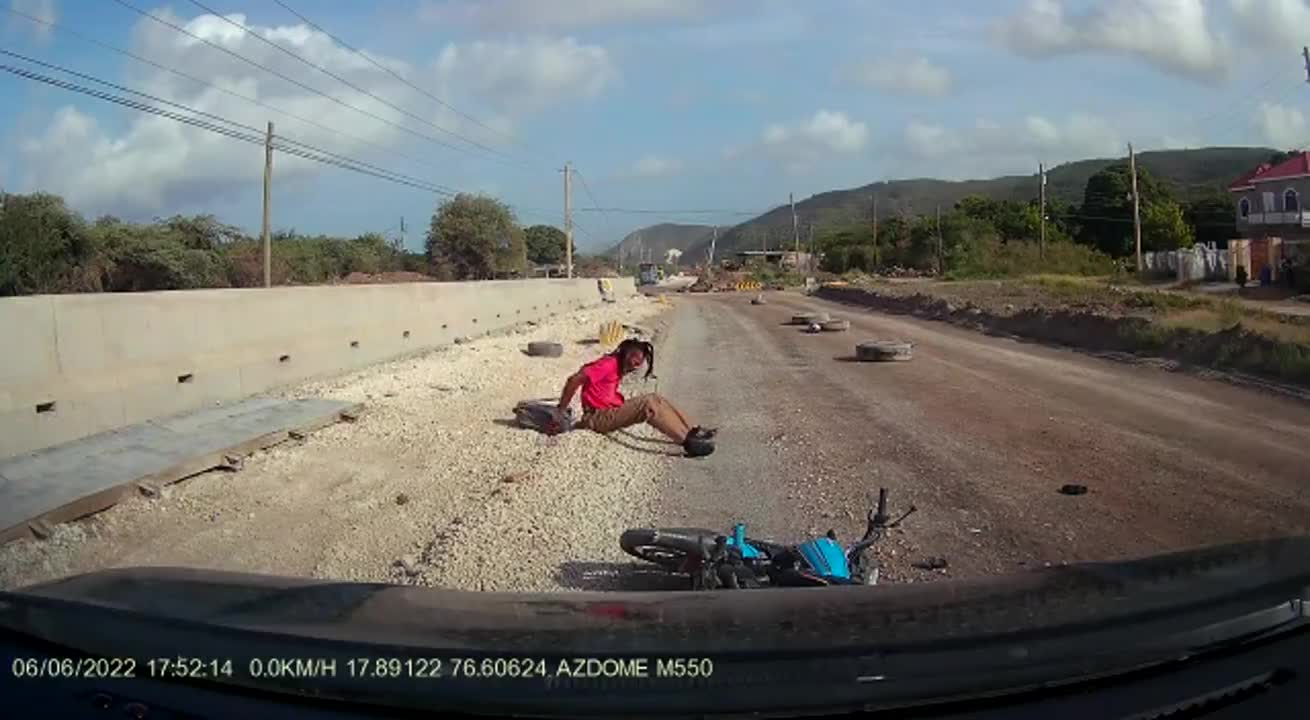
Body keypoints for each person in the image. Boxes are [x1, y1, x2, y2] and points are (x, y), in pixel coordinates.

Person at [557, 338, 716, 457]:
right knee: (647, 404)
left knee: (656, 398)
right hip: (597, 417)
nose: (636, 365)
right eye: (634, 359)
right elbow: (574, 380)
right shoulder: (608, 364)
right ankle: (689, 443)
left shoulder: (617, 366)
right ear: (625, 354)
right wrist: (561, 410)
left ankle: (691, 432)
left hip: (608, 412)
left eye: (639, 362)